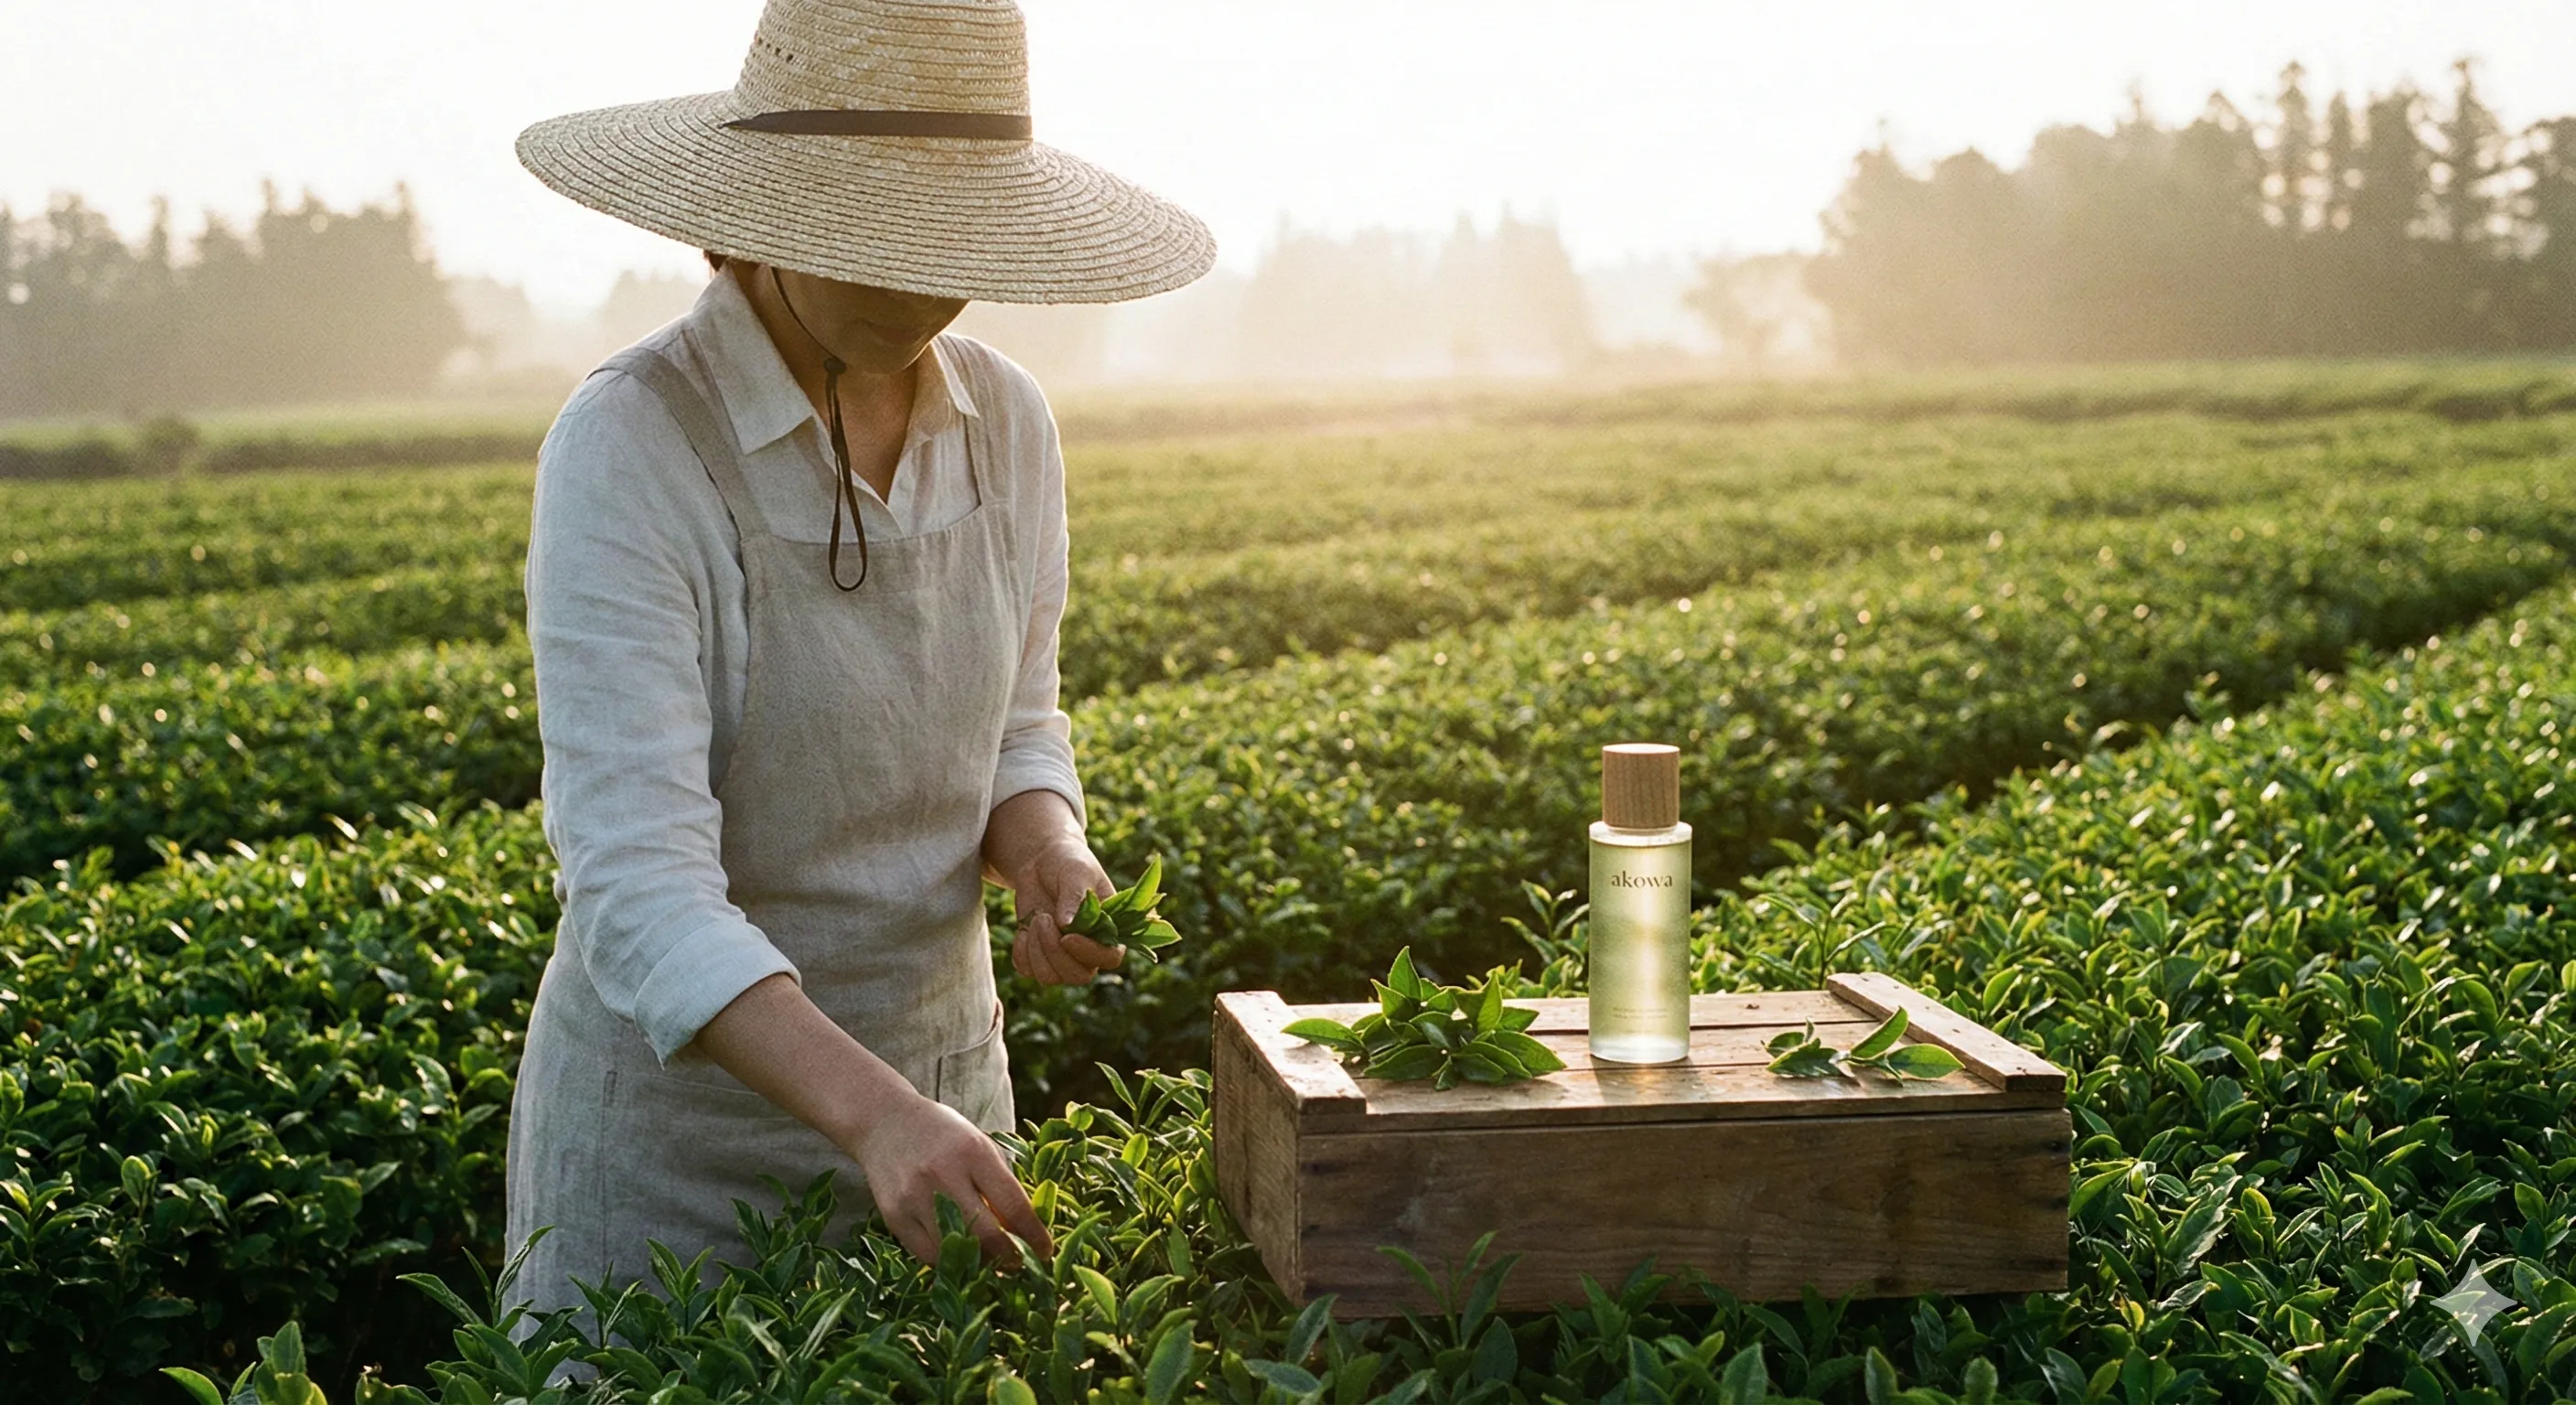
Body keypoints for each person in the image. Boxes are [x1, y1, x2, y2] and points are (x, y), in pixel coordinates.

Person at [501, 0, 1214, 1318]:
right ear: (754, 221)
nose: (916, 283)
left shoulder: (1006, 421)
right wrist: (873, 1117)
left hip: (946, 1114)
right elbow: (639, 891)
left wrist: (1045, 846)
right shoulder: (634, 445)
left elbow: (1018, 726)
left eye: (949, 246)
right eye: (872, 243)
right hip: (681, 1175)